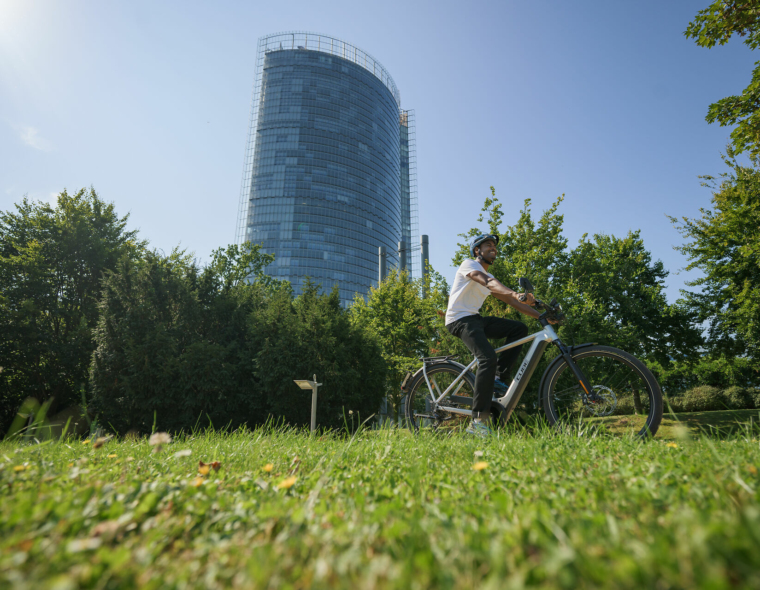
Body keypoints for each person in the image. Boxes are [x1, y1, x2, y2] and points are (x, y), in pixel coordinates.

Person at [444, 233, 555, 438]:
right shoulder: (468, 265)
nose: (493, 248)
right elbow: (486, 282)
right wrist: (514, 293)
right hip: (459, 320)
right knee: (487, 358)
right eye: (488, 245)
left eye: (495, 246)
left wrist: (542, 316)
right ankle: (477, 422)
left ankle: (498, 378)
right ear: (478, 251)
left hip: (475, 319)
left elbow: (513, 302)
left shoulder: (491, 278)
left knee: (518, 329)